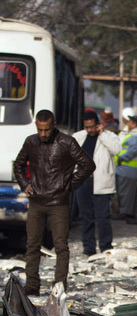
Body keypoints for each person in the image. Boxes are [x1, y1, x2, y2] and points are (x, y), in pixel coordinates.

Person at [13, 109, 95, 295]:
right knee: (32, 245)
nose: (43, 134)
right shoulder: (31, 142)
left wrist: (69, 185)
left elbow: (88, 165)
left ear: (54, 126)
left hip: (58, 202)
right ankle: (32, 284)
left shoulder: (67, 142)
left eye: (47, 130)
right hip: (36, 201)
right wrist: (24, 184)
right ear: (36, 127)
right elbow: (18, 164)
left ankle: (59, 286)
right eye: (40, 130)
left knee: (60, 246)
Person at [73, 111, 121, 255]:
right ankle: (89, 247)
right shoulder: (78, 136)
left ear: (97, 124)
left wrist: (102, 135)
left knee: (103, 217)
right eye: (87, 127)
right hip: (83, 181)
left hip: (101, 181)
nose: (89, 130)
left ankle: (106, 246)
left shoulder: (108, 136)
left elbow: (117, 149)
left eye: (92, 126)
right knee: (86, 216)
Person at [114, 114, 137, 220]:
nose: (128, 123)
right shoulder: (135, 133)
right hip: (128, 168)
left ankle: (125, 212)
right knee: (129, 192)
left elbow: (134, 149)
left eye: (130, 122)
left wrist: (122, 158)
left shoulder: (135, 134)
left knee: (125, 192)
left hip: (128, 168)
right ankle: (128, 212)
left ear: (134, 124)